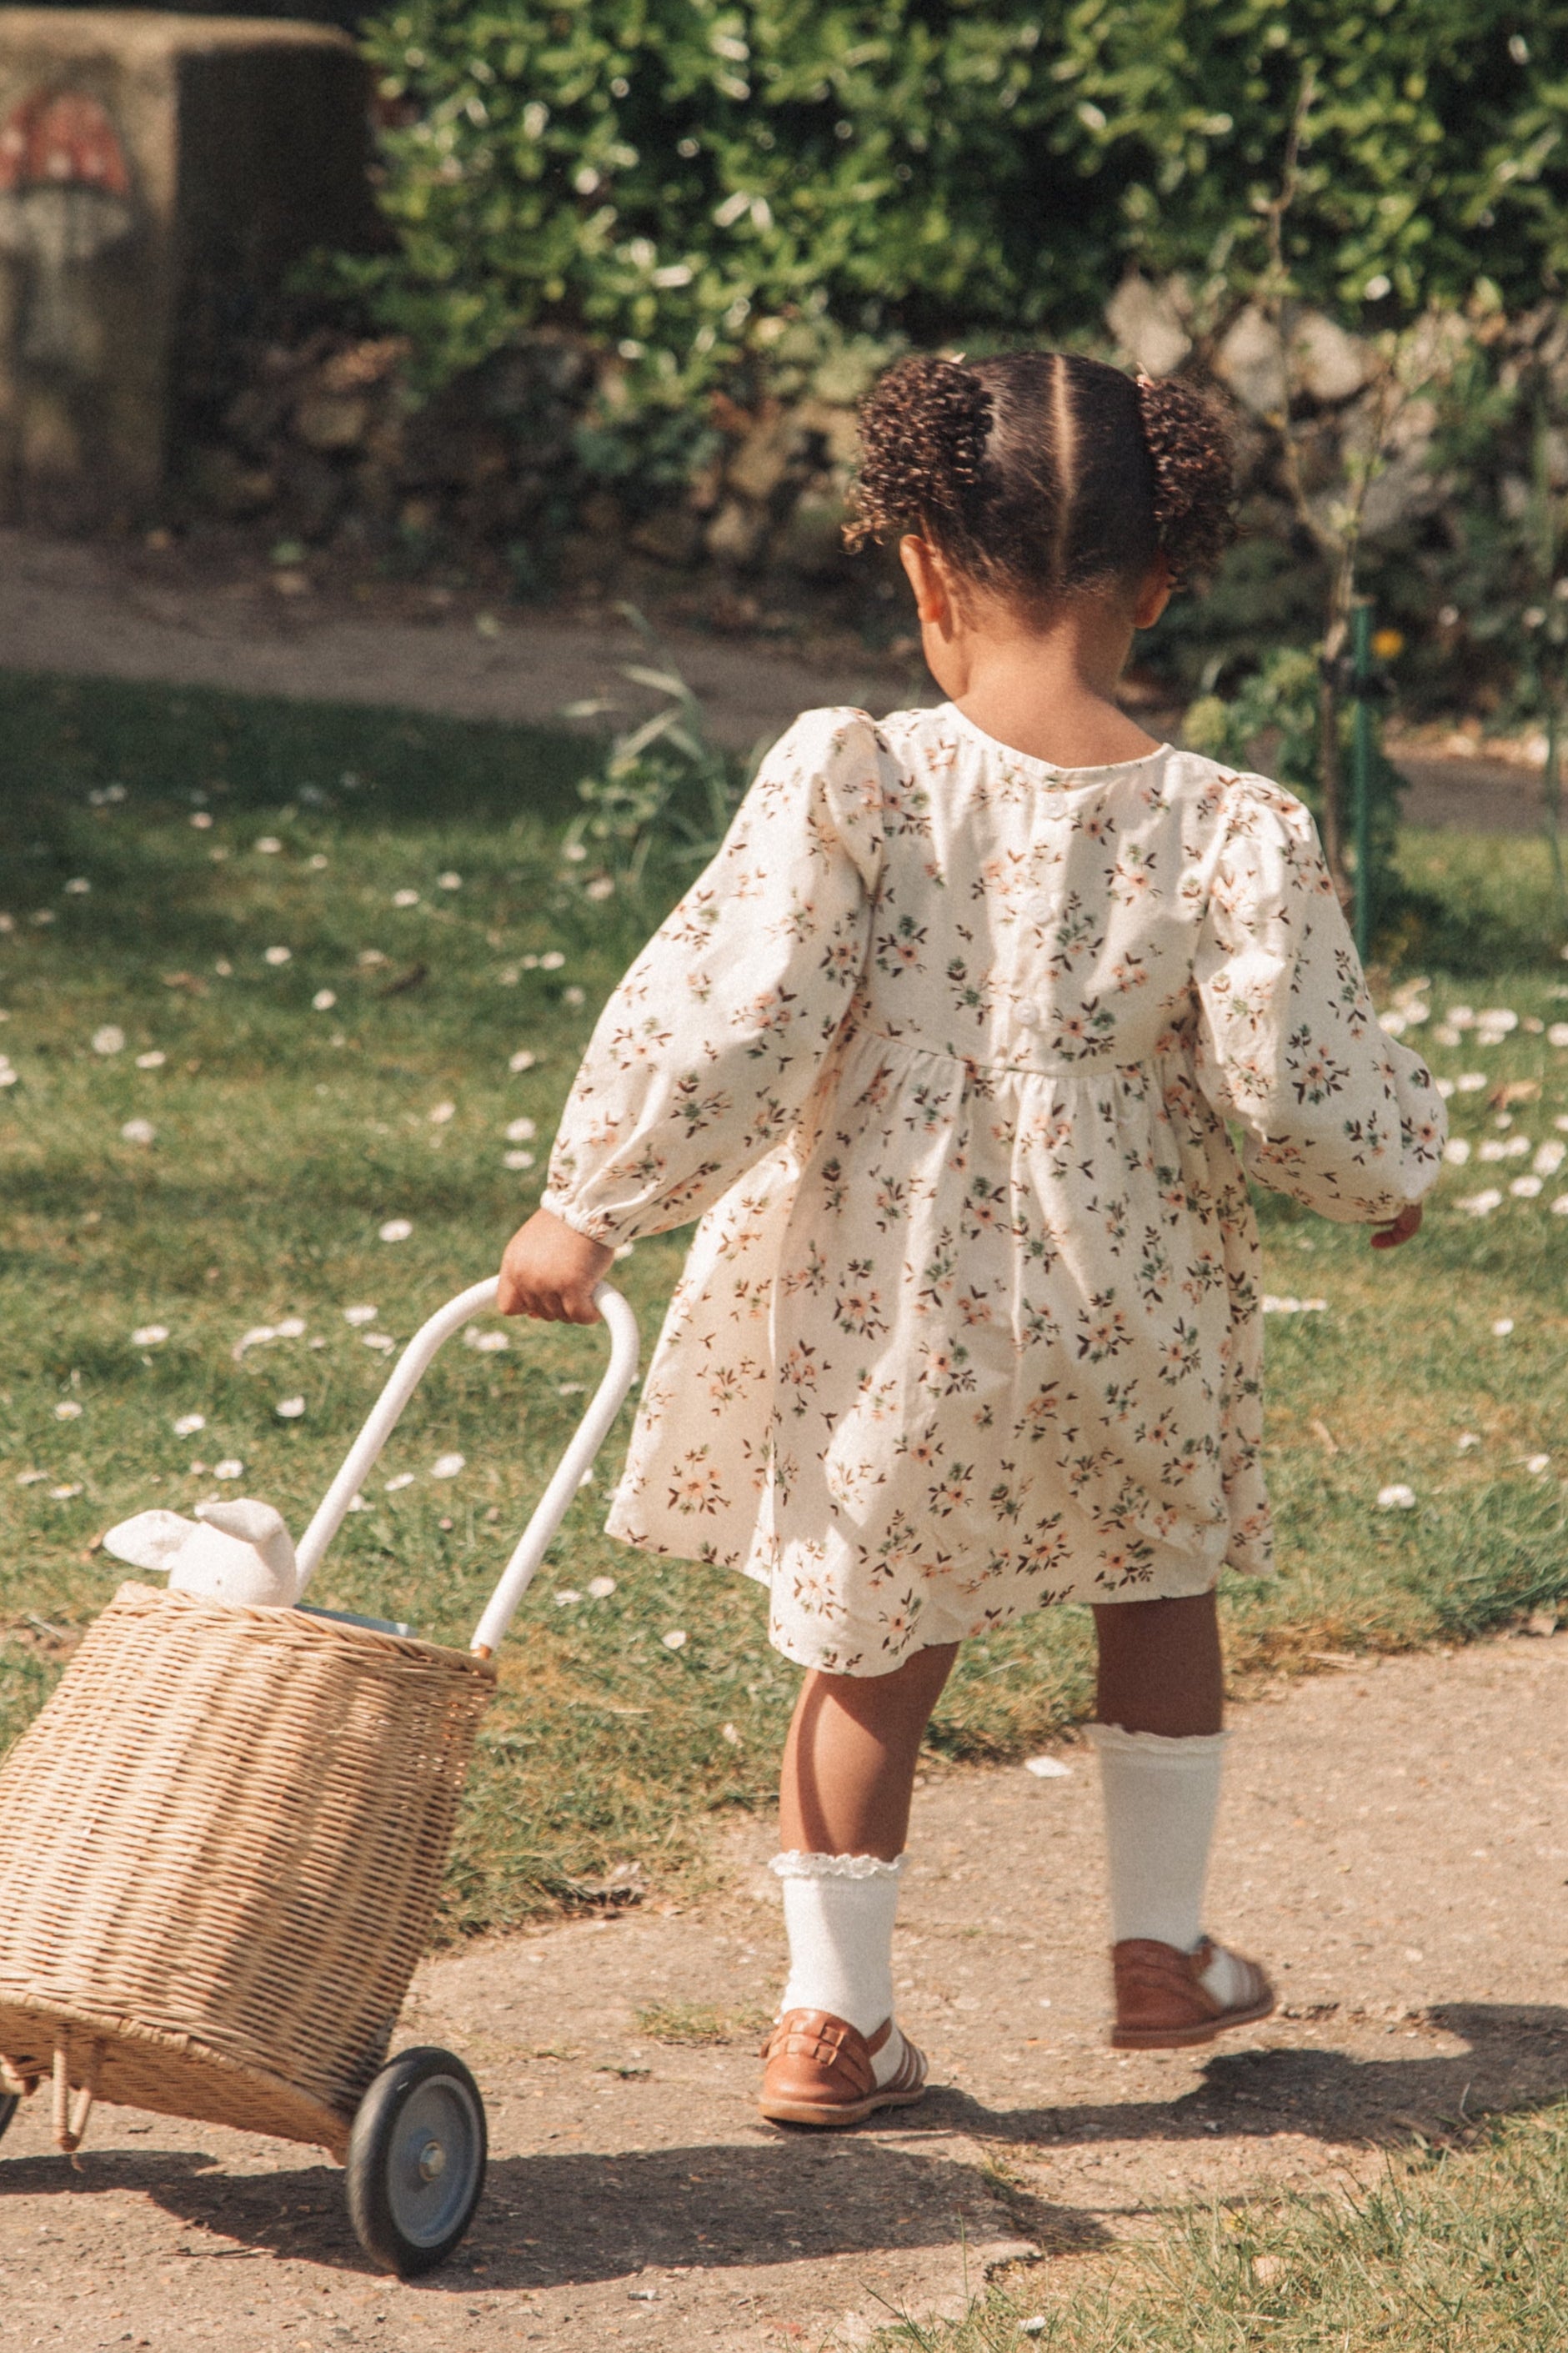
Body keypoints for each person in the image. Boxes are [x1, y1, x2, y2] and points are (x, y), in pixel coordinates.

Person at [497, 351, 1447, 2129]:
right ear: (1158, 584)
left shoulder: (854, 776)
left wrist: (593, 1200)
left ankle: (831, 2020)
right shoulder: (1234, 825)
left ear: (924, 572)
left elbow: (743, 1011)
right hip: (1132, 1288)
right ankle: (1158, 1946)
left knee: (871, 1646)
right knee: (1158, 1581)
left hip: (899, 1296)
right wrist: (1382, 1166)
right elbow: (1286, 1070)